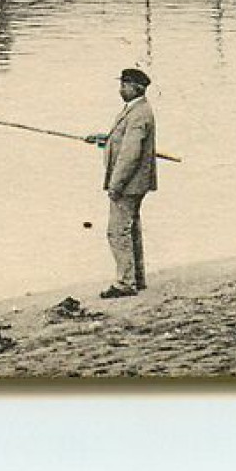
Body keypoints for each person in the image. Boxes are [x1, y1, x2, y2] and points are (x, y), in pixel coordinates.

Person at [84, 68, 158, 298]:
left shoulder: (138, 114)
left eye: (124, 85)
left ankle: (125, 283)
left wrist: (116, 185)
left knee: (117, 231)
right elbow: (122, 141)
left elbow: (130, 154)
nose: (120, 89)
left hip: (129, 183)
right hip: (135, 183)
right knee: (131, 229)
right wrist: (104, 139)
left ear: (137, 88)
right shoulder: (136, 110)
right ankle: (136, 278)